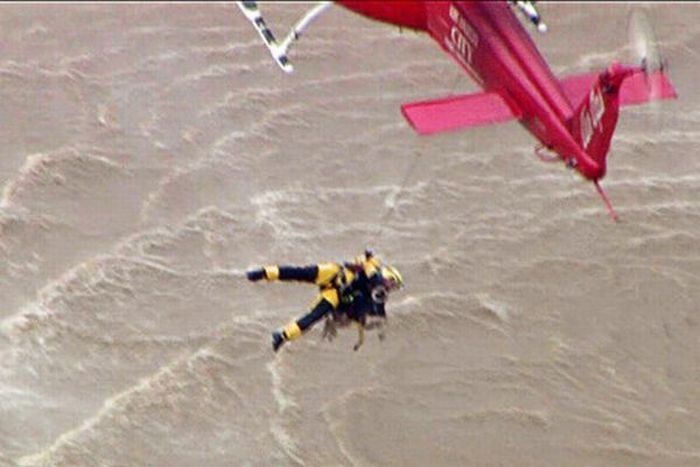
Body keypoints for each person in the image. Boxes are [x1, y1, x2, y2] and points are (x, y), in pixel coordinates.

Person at [246, 251, 404, 352]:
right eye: (392, 283)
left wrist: (375, 328)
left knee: (314, 316)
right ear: (387, 275)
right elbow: (368, 262)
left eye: (394, 286)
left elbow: (374, 316)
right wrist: (367, 266)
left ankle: (282, 336)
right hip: (335, 274)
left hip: (335, 295)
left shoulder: (378, 298)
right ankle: (262, 273)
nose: (391, 287)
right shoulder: (373, 271)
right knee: (298, 273)